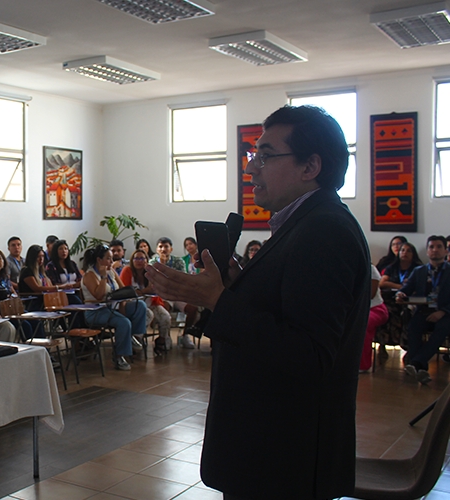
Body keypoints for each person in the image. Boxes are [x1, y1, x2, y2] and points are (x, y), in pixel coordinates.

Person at [147, 105, 369, 499]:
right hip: (271, 450)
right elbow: (282, 309)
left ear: (310, 166)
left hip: (284, 459)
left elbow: (310, 354)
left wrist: (216, 299)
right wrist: (234, 285)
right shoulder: (305, 224)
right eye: (254, 156)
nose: (251, 169)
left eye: (265, 156)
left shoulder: (324, 232)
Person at [81, 245, 147, 371]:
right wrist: (103, 277)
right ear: (99, 260)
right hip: (96, 311)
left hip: (114, 307)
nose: (112, 262)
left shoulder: (111, 271)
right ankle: (118, 356)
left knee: (140, 306)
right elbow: (98, 296)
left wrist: (123, 302)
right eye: (108, 259)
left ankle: (133, 336)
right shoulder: (90, 274)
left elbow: (123, 290)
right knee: (124, 322)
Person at [397, 236, 450, 384]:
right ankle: (420, 368)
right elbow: (405, 290)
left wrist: (443, 312)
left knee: (442, 329)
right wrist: (400, 294)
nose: (435, 250)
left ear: (445, 250)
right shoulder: (419, 271)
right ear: (427, 251)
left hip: (445, 313)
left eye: (439, 247)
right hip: (424, 311)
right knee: (414, 326)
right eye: (431, 247)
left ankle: (415, 363)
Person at [120, 249, 172, 350]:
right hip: (134, 305)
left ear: (146, 260)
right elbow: (126, 292)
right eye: (136, 258)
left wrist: (144, 291)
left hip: (151, 303)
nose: (139, 261)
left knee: (165, 317)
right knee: (148, 314)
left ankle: (161, 341)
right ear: (132, 260)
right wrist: (145, 291)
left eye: (142, 258)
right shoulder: (127, 271)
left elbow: (155, 290)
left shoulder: (150, 272)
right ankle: (135, 339)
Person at [360, 264, 389, 373]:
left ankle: (363, 365)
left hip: (375, 308)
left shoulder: (370, 269)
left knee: (362, 323)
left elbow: (370, 295)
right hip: (356, 310)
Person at [18, 244, 61, 312]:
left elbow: (50, 285)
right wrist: (58, 287)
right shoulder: (27, 271)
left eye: (43, 256)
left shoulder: (43, 271)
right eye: (38, 257)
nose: (41, 259)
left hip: (45, 299)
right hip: (33, 302)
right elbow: (37, 288)